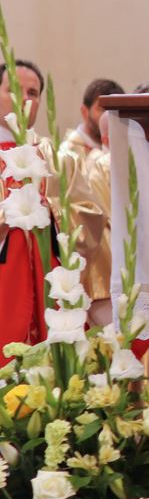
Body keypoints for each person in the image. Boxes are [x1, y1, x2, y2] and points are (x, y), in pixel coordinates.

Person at [59, 79, 123, 327]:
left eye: (113, 110)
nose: (107, 115)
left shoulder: (112, 152)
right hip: (95, 263)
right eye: (101, 108)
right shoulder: (68, 154)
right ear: (84, 111)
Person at [1, 60, 48, 351]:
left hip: (45, 293)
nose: (26, 100)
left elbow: (84, 221)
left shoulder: (53, 156)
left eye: (34, 93)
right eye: (15, 90)